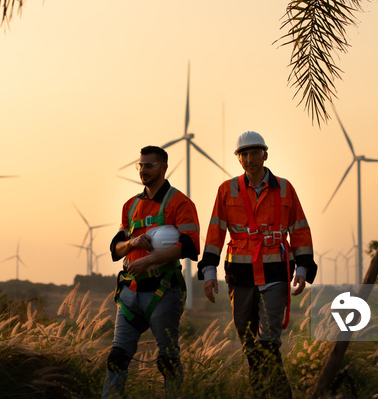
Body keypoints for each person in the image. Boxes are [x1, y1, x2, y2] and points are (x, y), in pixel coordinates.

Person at [198, 131, 317, 399]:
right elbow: (215, 231)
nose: (249, 159)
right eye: (244, 154)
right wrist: (208, 271)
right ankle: (264, 391)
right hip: (239, 275)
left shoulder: (285, 188)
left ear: (266, 154)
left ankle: (279, 394)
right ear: (238, 158)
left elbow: (299, 229)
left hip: (276, 271)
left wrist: (302, 268)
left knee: (268, 340)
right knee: (249, 342)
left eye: (254, 153)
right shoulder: (226, 189)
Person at [102, 145, 200, 398]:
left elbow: (190, 246)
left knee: (167, 359)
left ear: (164, 167)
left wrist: (150, 260)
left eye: (149, 165)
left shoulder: (180, 203)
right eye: (141, 165)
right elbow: (115, 249)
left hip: (163, 290)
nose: (143, 170)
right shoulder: (130, 205)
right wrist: (132, 243)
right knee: (117, 356)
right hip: (129, 292)